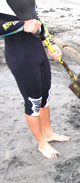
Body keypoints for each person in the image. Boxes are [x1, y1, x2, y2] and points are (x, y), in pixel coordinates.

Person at [0, 0, 70, 159]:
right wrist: (21, 26)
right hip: (20, 56)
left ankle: (48, 133)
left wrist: (50, 44)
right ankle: (42, 143)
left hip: (37, 51)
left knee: (45, 96)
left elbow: (37, 19)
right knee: (33, 101)